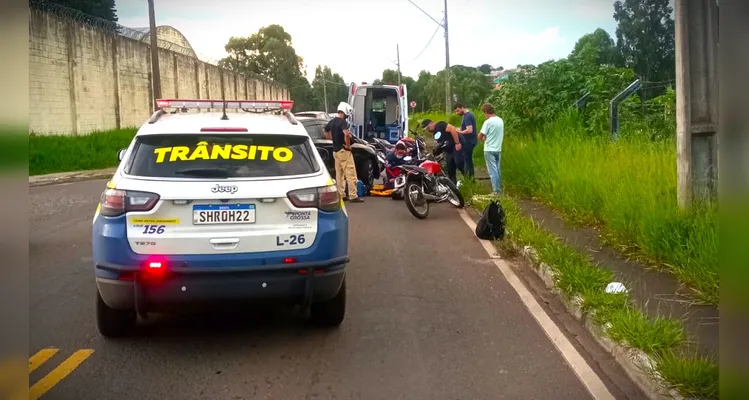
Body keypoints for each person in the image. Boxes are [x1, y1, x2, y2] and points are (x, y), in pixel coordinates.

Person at [324, 102, 363, 203]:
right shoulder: (343, 122)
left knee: (339, 174)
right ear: (345, 112)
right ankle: (353, 196)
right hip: (343, 151)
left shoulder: (332, 122)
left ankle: (341, 194)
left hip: (335, 151)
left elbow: (325, 131)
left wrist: (331, 138)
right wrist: (348, 147)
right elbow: (346, 134)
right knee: (350, 174)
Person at [420, 119, 465, 184]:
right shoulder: (435, 133)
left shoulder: (440, 125)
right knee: (450, 168)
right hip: (449, 150)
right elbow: (441, 142)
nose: (428, 130)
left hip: (455, 145)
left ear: (431, 123)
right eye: (426, 129)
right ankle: (453, 185)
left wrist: (457, 143)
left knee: (459, 163)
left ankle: (469, 180)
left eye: (428, 127)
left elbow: (452, 129)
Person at [477, 103, 505, 194]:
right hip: (498, 149)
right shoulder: (500, 120)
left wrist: (481, 137)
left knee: (492, 171)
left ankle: (496, 191)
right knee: (497, 169)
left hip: (489, 149)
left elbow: (480, 136)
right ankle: (498, 188)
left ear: (486, 112)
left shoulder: (488, 122)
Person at [454, 103, 477, 178]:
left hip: (469, 141)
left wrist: (459, 132)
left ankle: (470, 178)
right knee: (468, 159)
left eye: (458, 111)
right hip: (470, 141)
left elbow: (469, 130)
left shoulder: (467, 116)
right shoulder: (469, 115)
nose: (457, 113)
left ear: (462, 107)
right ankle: (469, 177)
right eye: (456, 111)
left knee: (468, 160)